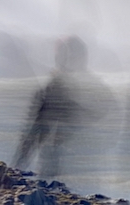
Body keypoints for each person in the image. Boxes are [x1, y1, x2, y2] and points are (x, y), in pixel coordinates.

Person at [13, 35, 110, 182]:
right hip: (54, 124)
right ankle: (32, 177)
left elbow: (101, 107)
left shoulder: (65, 82)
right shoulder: (66, 81)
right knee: (46, 148)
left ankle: (25, 175)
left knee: (43, 147)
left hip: (54, 124)